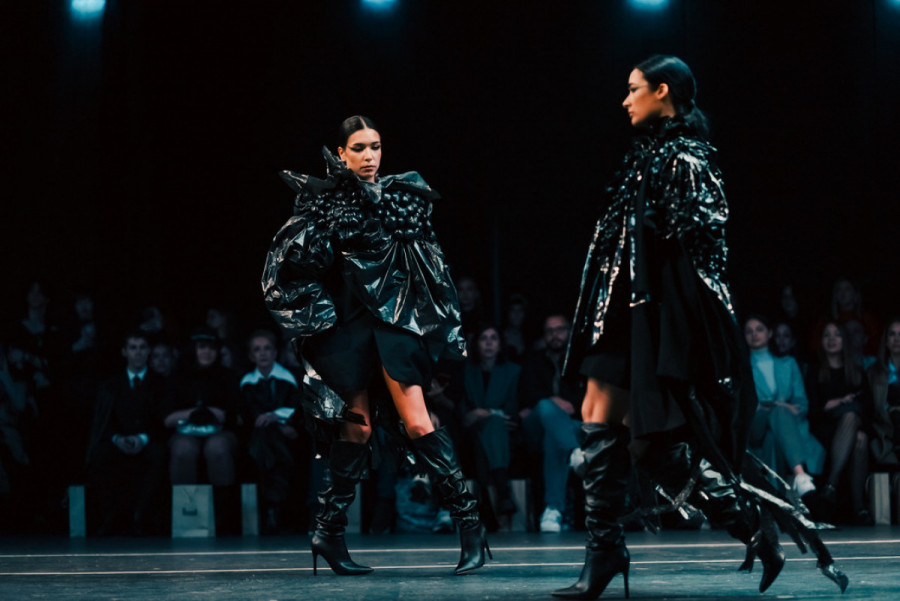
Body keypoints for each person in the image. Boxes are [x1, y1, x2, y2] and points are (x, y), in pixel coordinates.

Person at [557, 56, 846, 599]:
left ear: (662, 91)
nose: (625, 100)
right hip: (621, 313)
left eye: (634, 89)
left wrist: (684, 336)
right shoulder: (644, 156)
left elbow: (703, 258)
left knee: (651, 445)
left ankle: (750, 527)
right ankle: (606, 551)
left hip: (656, 321)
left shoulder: (688, 158)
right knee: (599, 416)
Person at [263, 115, 487, 575]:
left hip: (393, 327)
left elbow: (431, 270)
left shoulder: (402, 196)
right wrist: (320, 314)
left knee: (419, 422)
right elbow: (287, 267)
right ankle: (328, 533)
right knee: (357, 429)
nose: (369, 156)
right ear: (340, 154)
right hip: (347, 331)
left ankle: (471, 528)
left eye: (376, 146)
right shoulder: (323, 203)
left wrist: (437, 328)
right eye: (359, 148)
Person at [85, 330, 168, 535]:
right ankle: (110, 517)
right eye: (133, 348)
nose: (138, 353)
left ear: (148, 351)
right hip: (118, 440)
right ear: (124, 352)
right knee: (99, 454)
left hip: (148, 440)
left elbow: (163, 421)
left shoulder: (162, 383)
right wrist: (117, 438)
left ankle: (141, 516)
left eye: (142, 348)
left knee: (159, 455)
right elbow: (103, 421)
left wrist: (142, 438)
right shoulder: (110, 385)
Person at [164, 326, 242, 534]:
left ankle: (222, 518)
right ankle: (188, 518)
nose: (207, 352)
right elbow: (165, 418)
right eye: (202, 347)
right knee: (183, 450)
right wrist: (192, 413)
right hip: (184, 432)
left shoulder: (227, 376)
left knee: (217, 448)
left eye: (211, 347)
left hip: (220, 432)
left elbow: (237, 415)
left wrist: (216, 414)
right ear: (193, 349)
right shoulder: (177, 377)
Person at [517, 313, 584, 532]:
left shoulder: (579, 360)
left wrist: (567, 405)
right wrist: (552, 401)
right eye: (550, 331)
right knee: (546, 407)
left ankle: (553, 510)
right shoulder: (533, 360)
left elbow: (585, 398)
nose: (555, 335)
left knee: (553, 437)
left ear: (569, 332)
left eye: (560, 330)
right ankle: (574, 451)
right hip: (536, 424)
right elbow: (526, 394)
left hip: (570, 424)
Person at [744, 315, 824, 494]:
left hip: (785, 426)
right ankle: (800, 475)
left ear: (769, 333)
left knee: (772, 436)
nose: (754, 334)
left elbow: (802, 404)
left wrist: (781, 408)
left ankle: (776, 499)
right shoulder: (742, 368)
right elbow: (743, 406)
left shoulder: (788, 364)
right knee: (778, 412)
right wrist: (780, 405)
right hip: (755, 425)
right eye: (749, 331)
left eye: (759, 329)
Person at [240, 329, 308, 534]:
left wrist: (278, 418)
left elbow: (299, 408)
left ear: (275, 352)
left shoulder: (290, 377)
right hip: (265, 437)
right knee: (266, 439)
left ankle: (273, 507)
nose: (262, 353)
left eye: (267, 348)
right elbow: (251, 415)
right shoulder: (247, 382)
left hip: (291, 436)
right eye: (257, 350)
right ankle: (276, 507)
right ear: (251, 355)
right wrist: (277, 423)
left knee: (268, 446)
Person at [806, 321, 872, 525]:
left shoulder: (857, 372)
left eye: (837, 334)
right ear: (821, 341)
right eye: (827, 335)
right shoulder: (814, 371)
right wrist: (835, 403)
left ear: (844, 340)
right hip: (824, 430)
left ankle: (832, 489)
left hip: (852, 428)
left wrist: (843, 406)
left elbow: (868, 410)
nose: (832, 339)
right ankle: (858, 506)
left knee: (860, 436)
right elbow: (812, 411)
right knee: (853, 425)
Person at [460, 323, 520, 521]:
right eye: (483, 338)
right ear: (476, 344)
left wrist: (485, 413)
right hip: (471, 430)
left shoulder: (513, 371)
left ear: (500, 344)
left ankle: (485, 499)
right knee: (483, 431)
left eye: (493, 338)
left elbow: (513, 409)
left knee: (492, 426)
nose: (488, 343)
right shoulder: (467, 372)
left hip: (504, 432)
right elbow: (463, 410)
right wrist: (475, 415)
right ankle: (503, 493)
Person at [868, 318, 900, 468]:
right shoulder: (873, 373)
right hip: (884, 434)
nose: (897, 339)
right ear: (886, 341)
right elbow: (870, 411)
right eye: (892, 334)